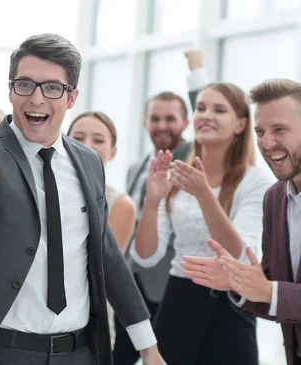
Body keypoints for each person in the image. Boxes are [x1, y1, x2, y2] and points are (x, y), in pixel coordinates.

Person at [0, 33, 165, 365]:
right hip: (0, 353)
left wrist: (148, 348)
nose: (36, 99)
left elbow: (108, 257)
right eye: (25, 85)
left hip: (78, 353)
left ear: (72, 97)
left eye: (51, 88)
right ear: (10, 90)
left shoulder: (89, 162)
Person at [130, 82, 274, 364]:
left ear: (240, 125)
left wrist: (204, 193)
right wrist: (152, 200)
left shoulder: (255, 182)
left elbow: (240, 255)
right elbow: (146, 256)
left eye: (219, 110)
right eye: (201, 108)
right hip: (178, 301)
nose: (206, 115)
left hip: (231, 305)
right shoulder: (176, 175)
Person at [182, 78, 301, 365]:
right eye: (260, 131)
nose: (268, 143)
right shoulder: (275, 198)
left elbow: (272, 291)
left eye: (280, 130)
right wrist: (239, 283)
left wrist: (268, 290)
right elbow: (270, 286)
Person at [115, 90, 192, 365]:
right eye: (155, 118)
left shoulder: (194, 164)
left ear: (185, 122)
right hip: (132, 285)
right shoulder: (137, 167)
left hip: (169, 288)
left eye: (170, 119)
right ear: (145, 123)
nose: (162, 126)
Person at [67, 111, 136, 349]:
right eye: (78, 137)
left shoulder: (120, 205)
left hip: (91, 324)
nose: (87, 145)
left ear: (112, 152)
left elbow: (101, 271)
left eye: (98, 140)